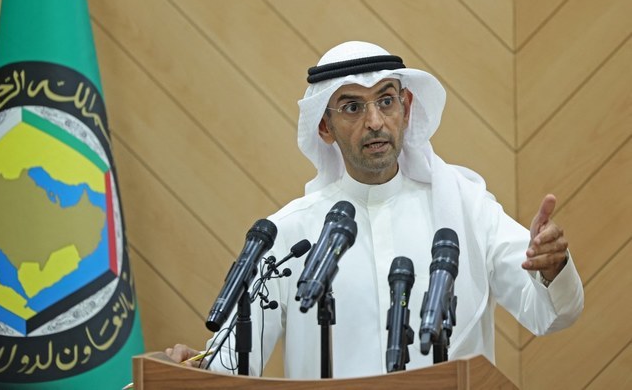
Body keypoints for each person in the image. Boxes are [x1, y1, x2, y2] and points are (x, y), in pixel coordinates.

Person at [166, 41, 584, 379]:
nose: (375, 121)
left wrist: (551, 267)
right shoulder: (289, 235)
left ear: (406, 109)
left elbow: (550, 314)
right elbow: (237, 362)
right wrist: (192, 371)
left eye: (386, 101)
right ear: (324, 128)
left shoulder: (465, 206)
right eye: (352, 107)